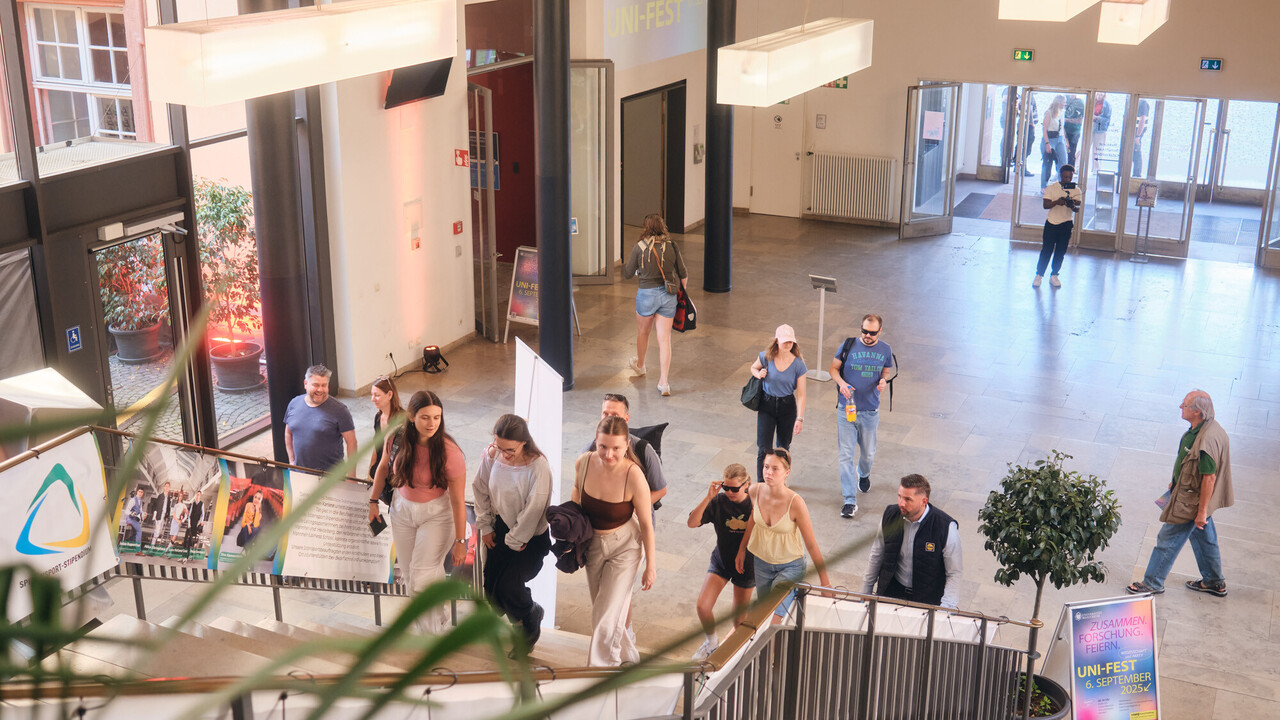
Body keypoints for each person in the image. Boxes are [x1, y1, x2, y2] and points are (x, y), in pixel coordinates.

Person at [368, 390, 468, 633]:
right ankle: (440, 616)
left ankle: (429, 637)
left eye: (436, 417)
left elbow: (457, 500)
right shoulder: (397, 437)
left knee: (421, 578)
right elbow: (382, 468)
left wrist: (460, 540)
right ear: (412, 416)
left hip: (437, 515)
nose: (432, 423)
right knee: (411, 577)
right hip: (402, 510)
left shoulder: (450, 452)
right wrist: (372, 502)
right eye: (425, 417)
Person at [1127, 390, 1233, 598]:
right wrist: (1177, 479)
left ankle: (1152, 582)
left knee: (1168, 537)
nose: (1180, 407)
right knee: (1204, 537)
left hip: (1190, 500)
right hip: (1188, 491)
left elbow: (1209, 478)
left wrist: (1201, 511)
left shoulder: (1206, 441)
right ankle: (1214, 581)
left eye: (1184, 405)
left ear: (1197, 411)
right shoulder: (1206, 429)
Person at [573, 416, 657, 666]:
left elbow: (645, 524)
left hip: (626, 546)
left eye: (616, 448)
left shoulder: (634, 476)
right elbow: (577, 491)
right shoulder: (584, 463)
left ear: (627, 444)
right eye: (602, 446)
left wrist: (651, 565)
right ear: (595, 442)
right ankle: (627, 657)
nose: (608, 454)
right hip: (593, 543)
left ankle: (599, 673)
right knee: (604, 608)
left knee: (605, 615)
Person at [473, 414, 553, 650]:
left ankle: (529, 616)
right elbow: (480, 489)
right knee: (491, 588)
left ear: (524, 443)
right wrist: (485, 525)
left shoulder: (538, 466)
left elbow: (535, 507)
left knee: (509, 585)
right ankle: (519, 623)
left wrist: (517, 539)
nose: (503, 454)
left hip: (530, 537)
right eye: (499, 447)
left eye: (510, 449)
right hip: (499, 529)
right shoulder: (493, 455)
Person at [735, 449, 829, 624]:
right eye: (766, 467)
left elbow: (811, 544)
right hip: (761, 563)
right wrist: (742, 550)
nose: (768, 472)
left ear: (787, 472)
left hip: (790, 567)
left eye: (775, 469)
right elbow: (752, 520)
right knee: (765, 614)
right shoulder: (755, 491)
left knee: (776, 618)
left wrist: (825, 582)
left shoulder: (796, 503)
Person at [828, 314, 894, 519]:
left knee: (868, 454)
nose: (867, 335)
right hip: (846, 409)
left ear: (879, 332)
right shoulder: (848, 345)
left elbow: (886, 371)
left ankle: (863, 474)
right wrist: (842, 384)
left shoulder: (885, 350)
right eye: (864, 331)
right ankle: (849, 500)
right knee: (845, 455)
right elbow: (833, 369)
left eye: (872, 333)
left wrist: (883, 381)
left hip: (870, 411)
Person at [861, 474, 963, 608]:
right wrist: (865, 593)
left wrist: (945, 610)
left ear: (924, 501)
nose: (901, 503)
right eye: (899, 496)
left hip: (926, 599)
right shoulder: (890, 515)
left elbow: (954, 573)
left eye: (908, 499)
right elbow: (876, 555)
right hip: (892, 592)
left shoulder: (946, 527)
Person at [686, 463, 754, 661]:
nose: (730, 492)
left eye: (735, 488)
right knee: (702, 606)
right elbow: (691, 523)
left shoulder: (754, 504)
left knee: (739, 620)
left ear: (747, 485)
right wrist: (709, 497)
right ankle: (711, 643)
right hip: (722, 561)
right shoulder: (719, 501)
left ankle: (740, 654)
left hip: (746, 566)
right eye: (726, 487)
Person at [622, 213, 688, 397]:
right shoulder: (672, 246)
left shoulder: (639, 248)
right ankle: (664, 383)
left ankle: (641, 366)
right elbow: (683, 273)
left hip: (646, 295)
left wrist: (638, 269)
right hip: (668, 296)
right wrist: (682, 295)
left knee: (643, 333)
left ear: (646, 228)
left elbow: (627, 273)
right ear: (662, 227)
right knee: (664, 339)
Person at [583, 393, 668, 510]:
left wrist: (631, 511)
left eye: (615, 415)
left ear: (626, 418)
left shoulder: (644, 450)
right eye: (605, 414)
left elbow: (660, 490)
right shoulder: (589, 450)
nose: (609, 419)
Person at [750, 325, 808, 483]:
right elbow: (753, 368)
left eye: (790, 342)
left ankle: (780, 482)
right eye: (784, 342)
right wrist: (758, 374)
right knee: (763, 448)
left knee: (783, 448)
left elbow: (801, 394)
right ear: (777, 341)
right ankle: (761, 485)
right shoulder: (765, 357)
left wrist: (800, 418)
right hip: (767, 404)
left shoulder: (798, 365)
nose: (788, 345)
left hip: (787, 406)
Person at [284, 364, 357, 473]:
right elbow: (288, 433)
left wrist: (352, 476)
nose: (320, 389)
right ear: (305, 384)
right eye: (316, 385)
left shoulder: (340, 410)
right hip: (299, 474)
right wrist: (292, 460)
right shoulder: (294, 404)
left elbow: (352, 443)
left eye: (324, 385)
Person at [1033, 164, 1082, 288]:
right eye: (1065, 177)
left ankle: (1054, 275)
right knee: (1046, 250)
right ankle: (1039, 275)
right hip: (1052, 223)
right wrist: (1057, 202)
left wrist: (1070, 205)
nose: (1067, 179)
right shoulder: (1052, 188)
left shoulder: (1076, 190)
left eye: (1070, 177)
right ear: (1061, 176)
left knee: (1060, 251)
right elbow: (1045, 205)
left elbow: (1077, 208)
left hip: (1066, 224)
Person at [369, 375, 404, 503]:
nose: (372, 399)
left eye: (377, 395)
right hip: (379, 470)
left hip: (393, 475)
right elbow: (376, 445)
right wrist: (371, 469)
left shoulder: (401, 422)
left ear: (389, 395)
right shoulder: (378, 417)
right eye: (372, 395)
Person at [1041, 95, 1068, 189]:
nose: (1065, 104)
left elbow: (1062, 128)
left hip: (1060, 139)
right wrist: (1047, 143)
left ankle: (1063, 185)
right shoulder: (1049, 113)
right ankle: (1043, 186)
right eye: (1064, 102)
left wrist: (1066, 141)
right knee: (1047, 163)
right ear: (1059, 102)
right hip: (1050, 139)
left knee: (1063, 162)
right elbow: (1044, 129)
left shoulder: (1062, 112)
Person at [148, 481, 173, 548]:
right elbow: (156, 507)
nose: (167, 488)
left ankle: (153, 545)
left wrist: (167, 516)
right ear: (164, 487)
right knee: (156, 531)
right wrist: (155, 516)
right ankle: (152, 547)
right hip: (159, 516)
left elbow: (168, 508)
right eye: (166, 486)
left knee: (159, 532)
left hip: (164, 516)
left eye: (168, 487)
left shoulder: (169, 498)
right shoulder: (160, 496)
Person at [1063, 95, 1086, 167]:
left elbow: (1080, 120)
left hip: (1074, 131)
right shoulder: (1064, 98)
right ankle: (1061, 171)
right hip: (1063, 131)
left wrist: (1067, 120)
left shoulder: (1080, 102)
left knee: (1071, 152)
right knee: (1062, 152)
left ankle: (1070, 171)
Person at [1091, 92, 1112, 168]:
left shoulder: (1107, 105)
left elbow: (1107, 119)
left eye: (1101, 94)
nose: (1099, 95)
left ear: (1104, 94)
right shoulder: (1091, 101)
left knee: (1098, 150)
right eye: (1098, 93)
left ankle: (1096, 169)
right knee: (1083, 148)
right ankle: (1077, 167)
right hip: (1090, 127)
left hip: (1100, 129)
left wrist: (1097, 118)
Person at [1132, 98, 1151, 178]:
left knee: (1137, 154)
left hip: (1136, 134)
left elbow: (1142, 120)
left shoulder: (1143, 103)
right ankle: (1135, 175)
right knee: (1133, 154)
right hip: (1133, 133)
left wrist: (1137, 136)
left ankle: (1136, 175)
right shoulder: (1137, 101)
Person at [184, 493, 205, 559]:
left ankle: (190, 555)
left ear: (200, 496)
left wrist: (201, 522)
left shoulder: (201, 504)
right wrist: (189, 524)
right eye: (197, 494)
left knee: (193, 540)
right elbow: (189, 515)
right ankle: (185, 555)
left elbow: (203, 514)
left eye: (199, 495)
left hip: (196, 524)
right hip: (191, 523)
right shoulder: (193, 503)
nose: (197, 496)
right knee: (187, 539)